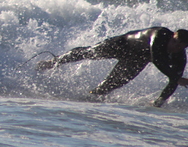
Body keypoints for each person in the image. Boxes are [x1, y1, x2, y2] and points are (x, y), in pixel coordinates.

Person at [36, 27, 188, 106]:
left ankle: (86, 99)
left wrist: (159, 101)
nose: (174, 47)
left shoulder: (179, 57)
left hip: (136, 61)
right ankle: (53, 62)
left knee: (107, 88)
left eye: (180, 46)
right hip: (122, 45)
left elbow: (173, 82)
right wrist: (176, 77)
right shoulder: (160, 35)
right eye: (174, 41)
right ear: (172, 35)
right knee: (88, 52)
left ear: (185, 47)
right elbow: (157, 59)